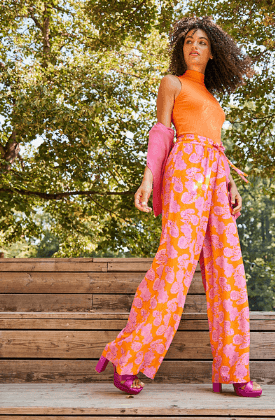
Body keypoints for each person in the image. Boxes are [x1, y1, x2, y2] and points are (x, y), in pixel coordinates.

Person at [94, 16, 260, 397]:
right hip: (186, 171)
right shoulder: (173, 82)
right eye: (188, 41)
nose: (194, 46)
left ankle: (232, 372)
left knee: (229, 273)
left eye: (202, 42)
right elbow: (162, 132)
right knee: (175, 265)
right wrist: (149, 179)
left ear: (213, 51)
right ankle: (128, 359)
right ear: (181, 48)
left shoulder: (213, 100)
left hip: (216, 177)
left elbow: (215, 143)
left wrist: (231, 182)